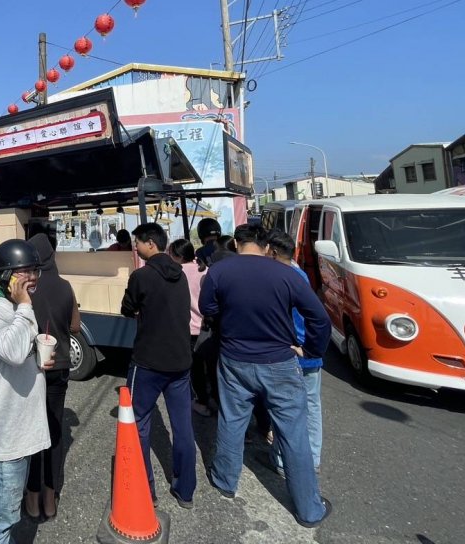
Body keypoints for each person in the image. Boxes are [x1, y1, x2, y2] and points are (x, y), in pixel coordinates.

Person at [199, 224, 332, 528]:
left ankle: (224, 480)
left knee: (232, 420)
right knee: (293, 433)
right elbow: (319, 318)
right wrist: (311, 350)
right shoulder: (287, 274)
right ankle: (309, 510)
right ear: (266, 245)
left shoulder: (220, 272)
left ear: (236, 242)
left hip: (234, 359)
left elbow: (207, 307)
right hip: (280, 362)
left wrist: (229, 314)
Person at [0, 239, 53, 543]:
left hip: (17, 433)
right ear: (7, 275)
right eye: (25, 272)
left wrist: (38, 360)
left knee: (5, 513)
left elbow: (18, 357)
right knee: (0, 520)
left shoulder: (11, 306)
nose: (32, 278)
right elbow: (13, 350)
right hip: (4, 437)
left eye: (35, 271)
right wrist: (26, 307)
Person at [120, 222, 197, 509]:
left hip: (148, 362)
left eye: (137, 243)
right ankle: (185, 490)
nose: (136, 248)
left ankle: (145, 489)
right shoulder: (181, 273)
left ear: (150, 244)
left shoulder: (141, 276)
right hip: (180, 361)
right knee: (183, 426)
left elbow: (127, 308)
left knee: (138, 424)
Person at [24, 233, 79, 521]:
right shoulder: (65, 285)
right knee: (55, 433)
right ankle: (50, 497)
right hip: (60, 367)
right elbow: (76, 325)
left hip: (34, 369)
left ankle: (31, 499)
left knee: (34, 433)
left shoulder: (27, 287)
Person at [265, 228, 323, 476]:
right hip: (310, 355)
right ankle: (313, 458)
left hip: (290, 353)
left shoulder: (277, 280)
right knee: (311, 407)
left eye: (267, 251)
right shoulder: (301, 275)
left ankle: (282, 461)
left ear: (274, 252)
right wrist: (312, 349)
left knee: (285, 409)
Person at [169, 238, 215, 416]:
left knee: (195, 370)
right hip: (208, 328)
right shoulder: (205, 269)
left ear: (178, 256)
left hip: (188, 329)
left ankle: (201, 402)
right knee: (212, 368)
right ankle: (216, 401)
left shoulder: (177, 274)